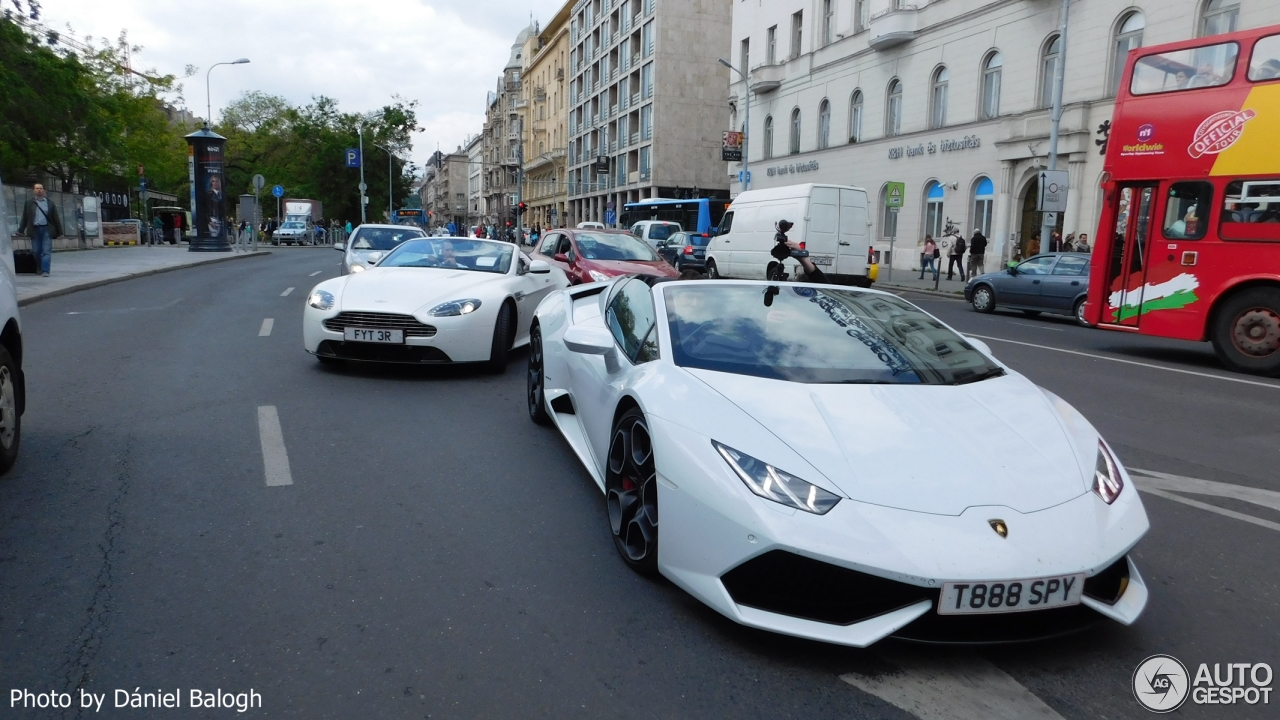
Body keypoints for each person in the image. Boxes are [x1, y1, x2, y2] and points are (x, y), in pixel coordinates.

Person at [17, 183, 61, 276]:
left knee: (46, 251)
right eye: (37, 188)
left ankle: (46, 271)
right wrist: (21, 230)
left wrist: (60, 231)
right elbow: (25, 217)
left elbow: (55, 218)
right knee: (36, 251)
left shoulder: (50, 203)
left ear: (44, 190)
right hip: (34, 230)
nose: (39, 190)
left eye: (41, 188)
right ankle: (39, 268)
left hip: (46, 229)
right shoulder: (29, 203)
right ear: (33, 191)